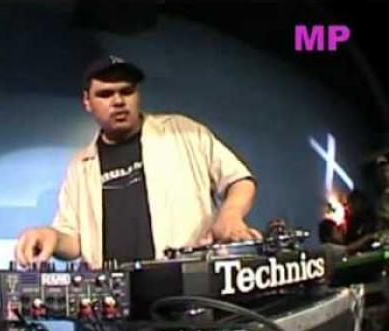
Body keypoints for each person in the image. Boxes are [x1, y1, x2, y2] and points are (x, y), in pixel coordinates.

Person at [15, 56, 260, 268]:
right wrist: (51, 236)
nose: (118, 101)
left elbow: (239, 180)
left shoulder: (183, 132)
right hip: (117, 299)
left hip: (185, 287)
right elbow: (74, 240)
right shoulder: (80, 166)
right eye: (105, 94)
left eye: (126, 91)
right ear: (87, 101)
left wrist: (229, 215)